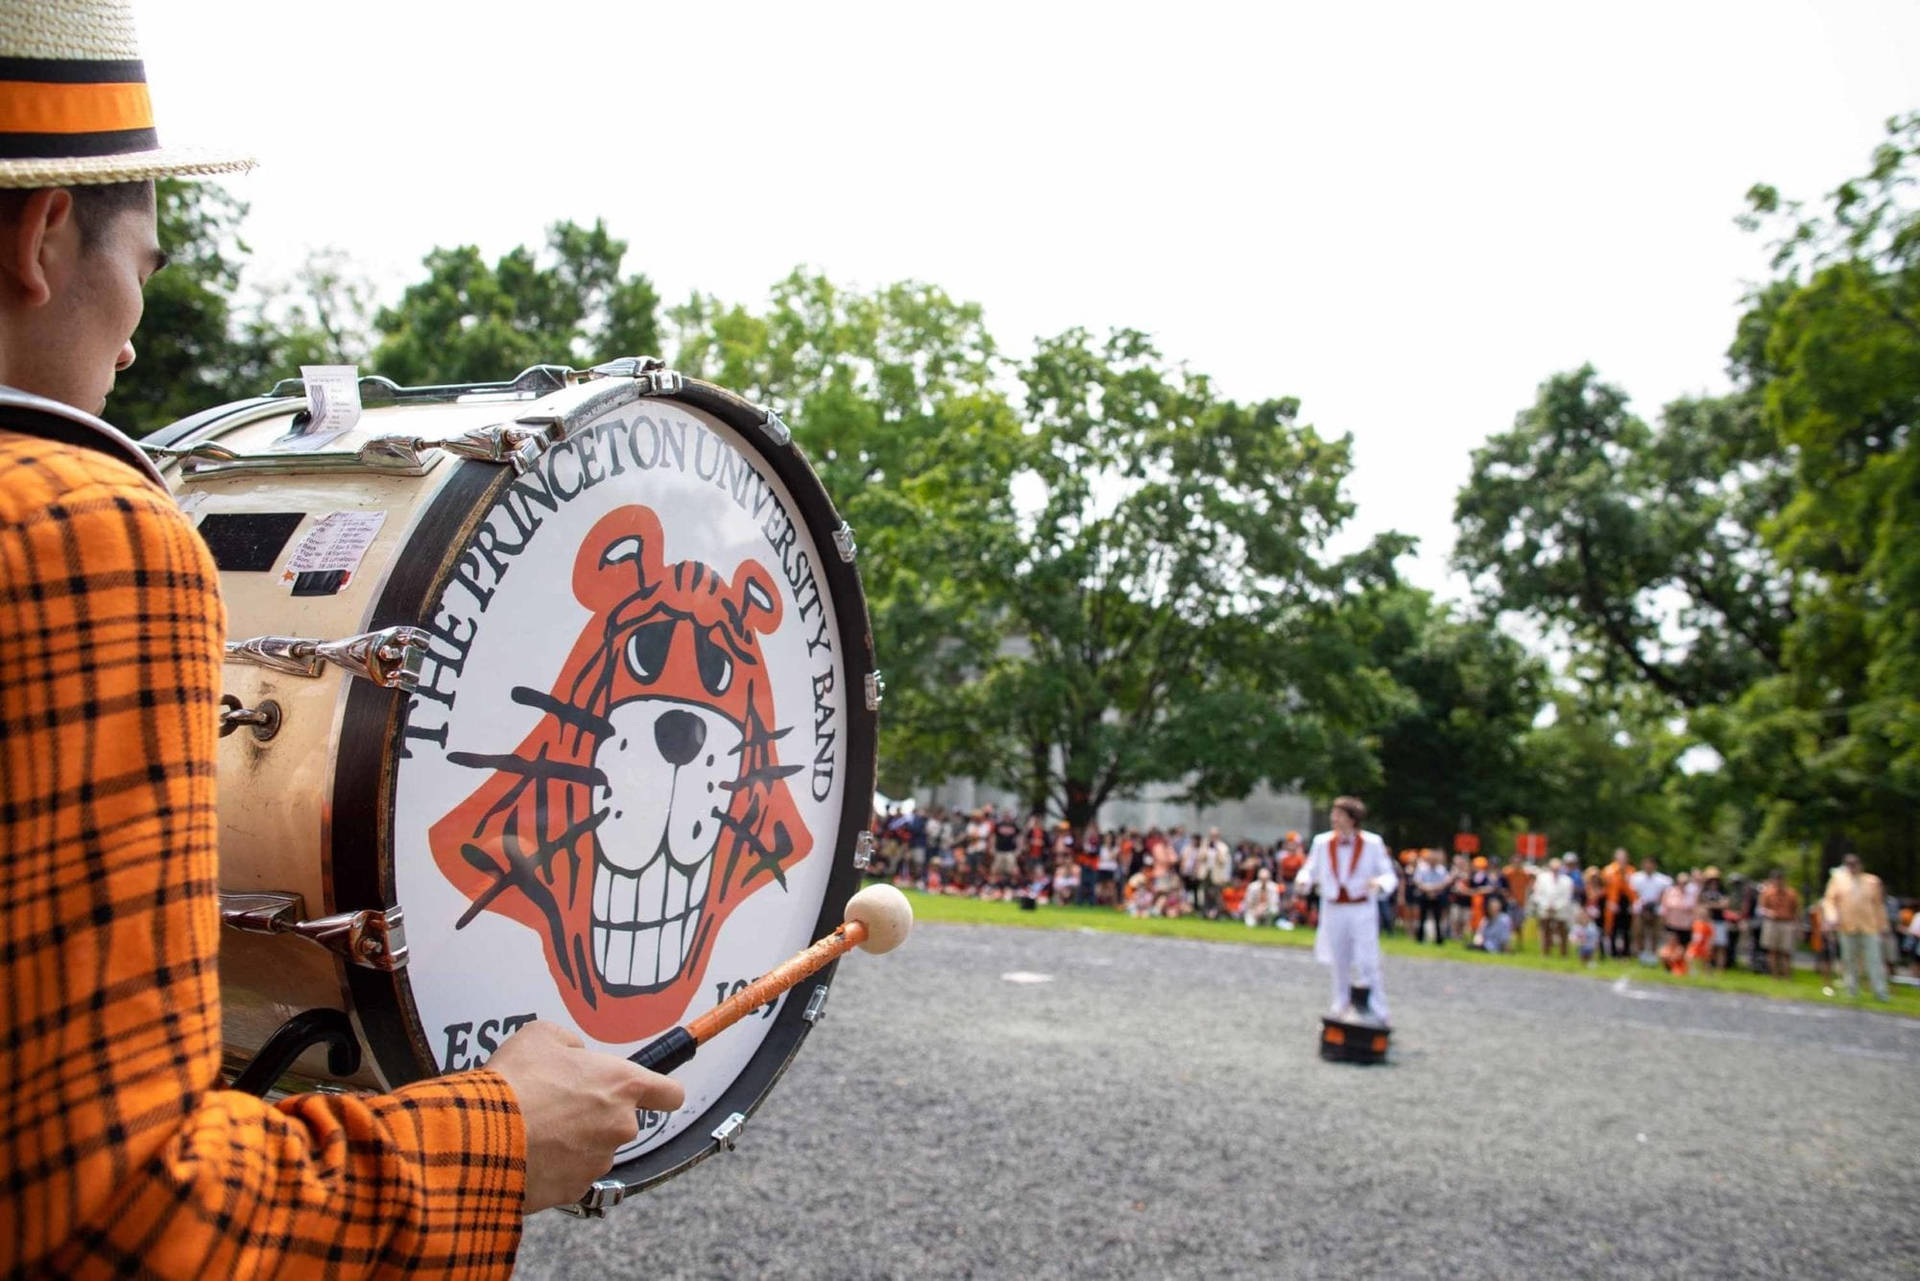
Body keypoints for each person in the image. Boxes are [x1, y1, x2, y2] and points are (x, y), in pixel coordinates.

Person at [0, 8, 685, 1274]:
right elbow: (109, 1215)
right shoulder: (68, 529)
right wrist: (495, 1136)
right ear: (45, 237)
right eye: (143, 267)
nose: (137, 332)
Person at [1297, 796, 1397, 1023]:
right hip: (1333, 907)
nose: (1334, 818)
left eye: (1339, 814)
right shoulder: (1322, 842)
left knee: (1367, 960)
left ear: (1352, 819)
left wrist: (1379, 884)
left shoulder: (1372, 843)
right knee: (1338, 959)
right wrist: (1304, 880)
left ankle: (1378, 1008)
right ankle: (1341, 1003)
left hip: (1360, 907)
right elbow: (1310, 868)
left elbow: (1388, 874)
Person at [1822, 854, 1891, 1002]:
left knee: (1874, 959)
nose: (1852, 867)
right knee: (1849, 959)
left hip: (1869, 926)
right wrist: (1831, 918)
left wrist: (1883, 925)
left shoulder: (1871, 881)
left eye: (1855, 864)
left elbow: (1878, 905)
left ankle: (1880, 991)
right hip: (1847, 926)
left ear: (1860, 865)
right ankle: (1852, 989)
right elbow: (1829, 901)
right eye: (1849, 864)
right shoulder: (1838, 880)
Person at [1757, 867, 1802, 979]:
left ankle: (1787, 975)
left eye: (1780, 879)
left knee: (1786, 951)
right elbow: (1760, 909)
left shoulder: (1791, 893)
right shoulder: (1767, 893)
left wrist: (1798, 926)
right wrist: (1768, 912)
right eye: (1776, 879)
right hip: (1772, 923)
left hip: (1787, 922)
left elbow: (1796, 910)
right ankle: (1775, 975)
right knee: (1773, 950)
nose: (1778, 882)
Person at [1531, 856, 1574, 957]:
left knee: (1562, 931)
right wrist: (1546, 905)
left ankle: (1563, 953)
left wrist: (1556, 907)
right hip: (1545, 907)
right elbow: (1538, 894)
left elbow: (1567, 897)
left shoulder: (1567, 880)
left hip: (1561, 910)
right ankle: (1545, 953)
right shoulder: (1542, 878)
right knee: (1545, 931)